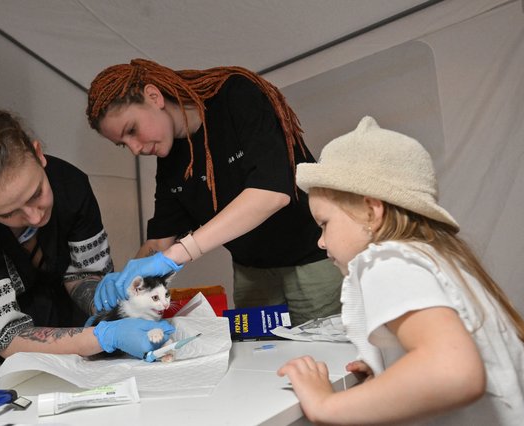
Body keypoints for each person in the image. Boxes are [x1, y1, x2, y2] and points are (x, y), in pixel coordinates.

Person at [277, 116, 524, 424]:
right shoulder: (434, 258)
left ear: (372, 211)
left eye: (324, 224)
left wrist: (326, 405)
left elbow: (453, 372)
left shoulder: (386, 261)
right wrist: (394, 366)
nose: (321, 242)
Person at [0, 100, 174, 377]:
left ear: (38, 154)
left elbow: (84, 273)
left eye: (36, 193)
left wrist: (108, 302)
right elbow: (3, 338)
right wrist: (104, 336)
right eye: (8, 214)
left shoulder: (70, 184)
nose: (34, 217)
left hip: (62, 339)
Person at [85, 58, 343, 325]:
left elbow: (271, 193)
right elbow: (159, 241)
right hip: (250, 272)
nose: (135, 149)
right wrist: (124, 288)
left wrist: (180, 253)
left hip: (311, 257)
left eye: (132, 130)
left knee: (325, 355)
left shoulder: (236, 96)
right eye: (122, 144)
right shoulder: (170, 159)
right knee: (261, 357)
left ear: (154, 96)